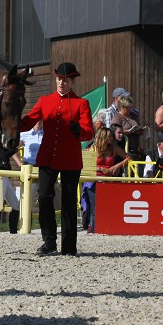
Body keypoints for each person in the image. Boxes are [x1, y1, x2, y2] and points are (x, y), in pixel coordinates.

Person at [19, 62, 94, 256]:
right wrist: (10, 125)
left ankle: (68, 246)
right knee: (44, 197)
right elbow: (28, 122)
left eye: (65, 80)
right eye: (59, 79)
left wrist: (79, 131)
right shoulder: (45, 101)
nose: (61, 82)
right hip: (47, 157)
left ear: (72, 82)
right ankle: (49, 241)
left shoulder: (81, 103)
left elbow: (89, 133)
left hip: (70, 159)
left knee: (69, 202)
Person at [82, 127, 129, 231]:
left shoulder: (114, 148)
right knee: (94, 208)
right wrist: (100, 168)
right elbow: (85, 163)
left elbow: (128, 157)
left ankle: (108, 228)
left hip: (109, 180)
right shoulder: (92, 149)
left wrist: (116, 166)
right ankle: (94, 230)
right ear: (103, 137)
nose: (111, 139)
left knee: (109, 206)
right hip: (93, 180)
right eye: (109, 137)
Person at [0, 128, 22, 234]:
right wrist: (15, 149)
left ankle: (13, 232)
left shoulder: (2, 139)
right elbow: (1, 155)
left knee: (15, 205)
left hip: (5, 175)